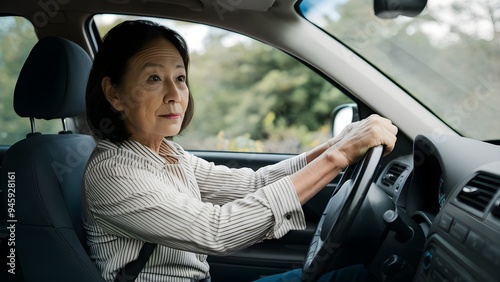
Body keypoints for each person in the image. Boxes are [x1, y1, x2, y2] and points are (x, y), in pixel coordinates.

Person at [83, 20, 398, 282]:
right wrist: (338, 157)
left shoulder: (168, 154)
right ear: (114, 94)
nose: (175, 95)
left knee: (360, 276)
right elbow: (216, 231)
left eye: (179, 77)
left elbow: (254, 185)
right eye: (154, 78)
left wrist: (335, 145)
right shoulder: (113, 171)